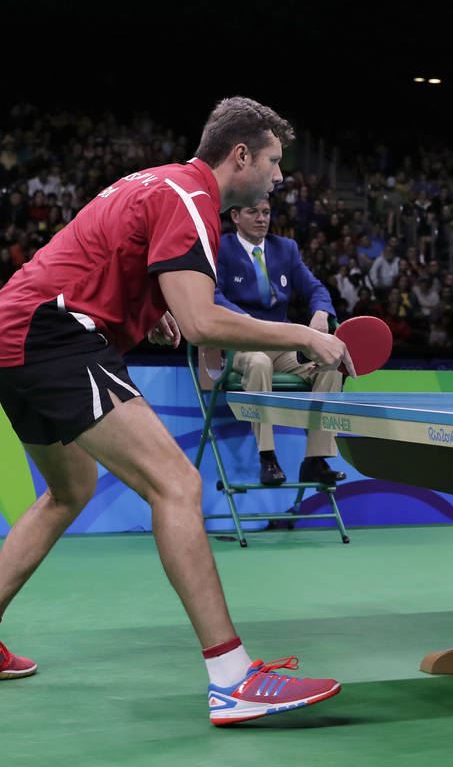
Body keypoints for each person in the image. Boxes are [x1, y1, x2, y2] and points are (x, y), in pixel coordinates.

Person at [0, 97, 352, 722]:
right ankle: (232, 678)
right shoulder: (189, 201)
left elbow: (112, 258)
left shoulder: (160, 183)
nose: (279, 177)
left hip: (17, 332)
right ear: (240, 156)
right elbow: (202, 321)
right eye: (273, 162)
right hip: (55, 337)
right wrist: (307, 335)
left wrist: (148, 304)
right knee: (177, 484)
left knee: (68, 490)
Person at [214, 198, 346, 486]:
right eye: (253, 212)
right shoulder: (221, 247)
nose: (262, 219)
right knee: (259, 363)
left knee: (331, 366)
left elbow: (315, 288)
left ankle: (315, 460)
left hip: (282, 345)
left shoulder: (286, 248)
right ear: (235, 215)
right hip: (240, 344)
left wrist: (322, 311)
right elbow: (214, 296)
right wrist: (251, 323)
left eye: (266, 212)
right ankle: (268, 458)